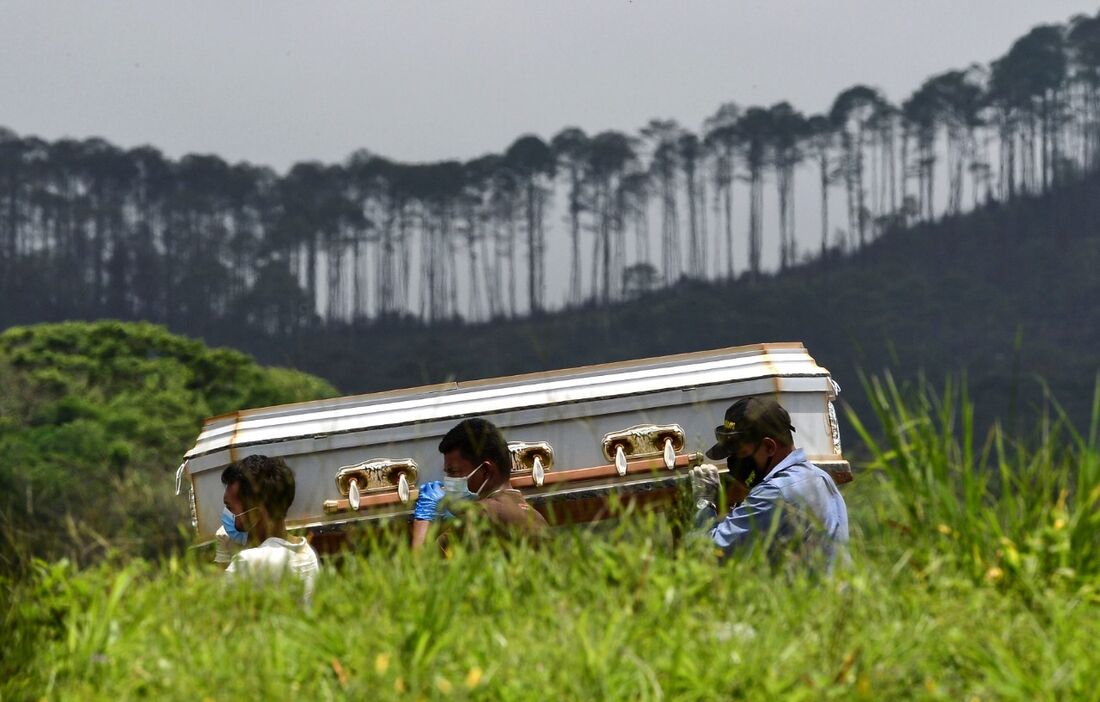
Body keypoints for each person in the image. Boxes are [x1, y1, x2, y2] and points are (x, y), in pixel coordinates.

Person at [690, 397, 849, 572]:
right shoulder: (821, 477)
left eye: (741, 453)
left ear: (769, 447)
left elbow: (706, 555)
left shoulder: (774, 493)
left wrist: (704, 502)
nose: (736, 463)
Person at [411, 418, 548, 549]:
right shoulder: (535, 517)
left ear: (486, 471)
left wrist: (424, 518)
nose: (448, 482)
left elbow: (423, 567)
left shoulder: (480, 515)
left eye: (453, 472)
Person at [221, 454, 319, 605]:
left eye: (229, 507)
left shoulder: (247, 562)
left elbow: (215, 617)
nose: (227, 515)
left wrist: (222, 559)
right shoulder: (307, 553)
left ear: (255, 513)